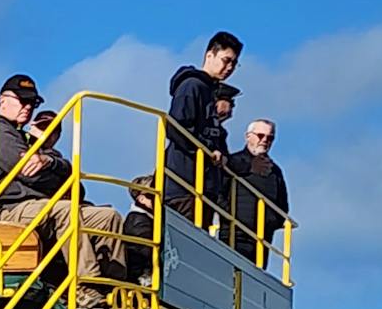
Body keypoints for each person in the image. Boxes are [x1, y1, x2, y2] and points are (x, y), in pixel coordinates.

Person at [0, 74, 126, 306]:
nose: (27, 107)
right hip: (13, 209)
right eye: (22, 101)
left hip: (41, 207)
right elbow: (31, 175)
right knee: (66, 210)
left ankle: (114, 290)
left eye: (32, 103)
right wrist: (53, 173)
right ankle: (85, 286)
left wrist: (50, 164)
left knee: (108, 217)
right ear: (3, 101)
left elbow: (67, 175)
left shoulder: (24, 137)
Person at [165, 30, 242, 218]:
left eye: (234, 63)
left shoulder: (210, 91)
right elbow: (176, 127)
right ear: (210, 55)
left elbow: (214, 135)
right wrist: (207, 150)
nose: (230, 67)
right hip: (185, 186)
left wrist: (221, 154)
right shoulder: (192, 85)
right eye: (226, 60)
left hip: (204, 187)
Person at [224, 118, 290, 266]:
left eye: (270, 137)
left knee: (252, 281)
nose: (265, 140)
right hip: (234, 234)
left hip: (262, 239)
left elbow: (282, 207)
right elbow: (220, 192)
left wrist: (269, 223)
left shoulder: (275, 171)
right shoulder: (233, 162)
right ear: (248, 136)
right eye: (260, 135)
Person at [123, 174, 157, 283]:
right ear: (142, 199)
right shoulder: (138, 221)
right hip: (143, 281)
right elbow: (146, 253)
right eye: (153, 194)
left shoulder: (146, 218)